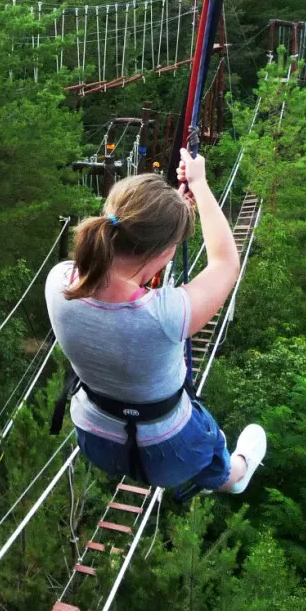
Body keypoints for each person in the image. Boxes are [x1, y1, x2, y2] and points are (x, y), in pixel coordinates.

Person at [45, 149, 267, 495]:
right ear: (164, 253)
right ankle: (235, 474)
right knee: (219, 460)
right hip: (170, 452)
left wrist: (170, 217)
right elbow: (225, 264)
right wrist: (201, 185)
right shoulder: (167, 316)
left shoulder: (59, 283)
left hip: (94, 436)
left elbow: (119, 286)